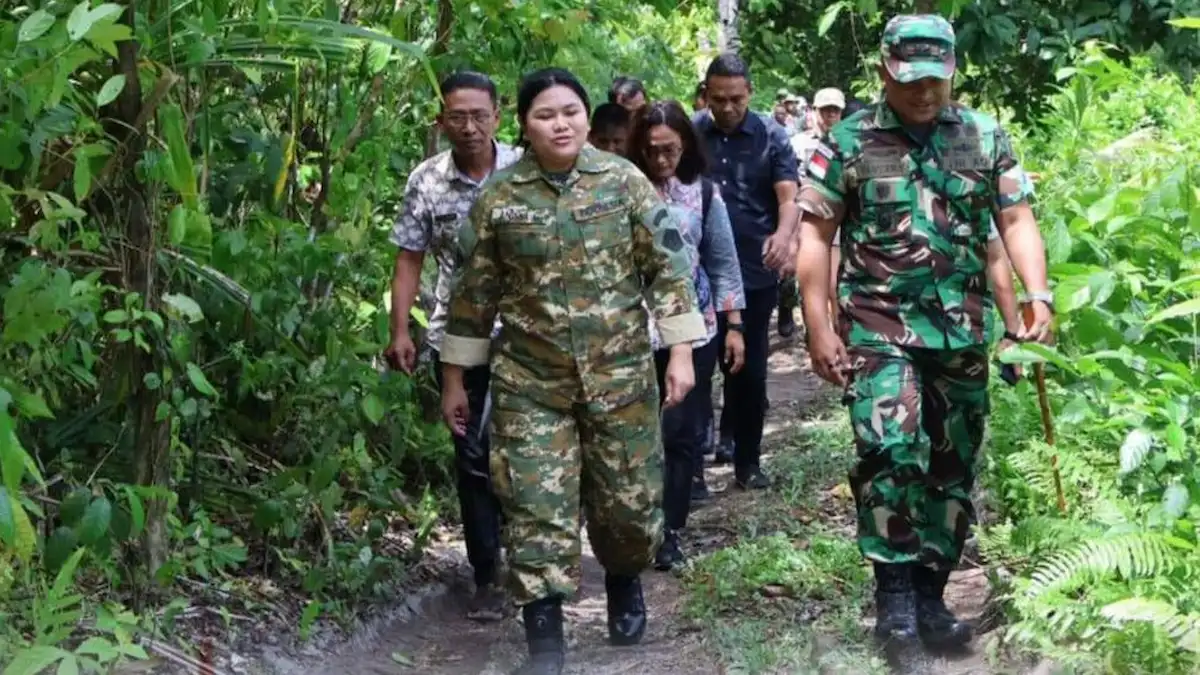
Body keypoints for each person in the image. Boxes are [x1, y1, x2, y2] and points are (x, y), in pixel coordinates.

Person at [793, 14, 1053, 658]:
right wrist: (818, 326)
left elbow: (1015, 218)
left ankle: (932, 595)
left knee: (951, 462)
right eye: (910, 80)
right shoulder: (849, 141)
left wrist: (1037, 295)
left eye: (935, 79)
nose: (924, 92)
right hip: (877, 325)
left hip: (960, 330)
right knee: (890, 448)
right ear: (885, 71)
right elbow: (816, 237)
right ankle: (895, 607)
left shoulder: (982, 136)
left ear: (953, 71)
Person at [440, 67, 706, 675]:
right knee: (534, 506)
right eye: (545, 115)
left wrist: (681, 352)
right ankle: (545, 636)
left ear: (587, 119)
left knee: (627, 508)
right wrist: (455, 379)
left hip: (620, 379)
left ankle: (623, 580)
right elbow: (472, 296)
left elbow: (667, 270)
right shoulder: (500, 199)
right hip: (531, 384)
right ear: (523, 126)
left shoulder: (624, 183)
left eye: (570, 112)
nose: (560, 125)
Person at [385, 70, 520, 623]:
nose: (469, 127)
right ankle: (487, 574)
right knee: (472, 455)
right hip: (458, 338)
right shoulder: (427, 180)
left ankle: (537, 560)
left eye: (478, 116)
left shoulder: (526, 168)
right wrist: (400, 331)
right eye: (457, 117)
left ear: (497, 117)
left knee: (530, 449)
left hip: (530, 335)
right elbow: (409, 258)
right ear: (441, 121)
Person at [628, 100, 746, 570]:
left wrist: (734, 325)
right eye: (652, 150)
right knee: (635, 434)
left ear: (686, 146)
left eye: (670, 150)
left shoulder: (704, 193)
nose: (661, 160)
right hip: (631, 334)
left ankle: (670, 532)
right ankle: (632, 526)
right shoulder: (621, 189)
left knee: (681, 432)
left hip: (695, 331)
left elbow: (723, 262)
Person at [695, 53, 800, 488]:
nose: (727, 108)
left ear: (749, 93)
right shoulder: (690, 133)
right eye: (718, 99)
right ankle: (691, 472)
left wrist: (784, 235)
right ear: (706, 94)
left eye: (736, 99)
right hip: (697, 275)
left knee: (750, 371)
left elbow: (788, 197)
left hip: (754, 271)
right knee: (696, 370)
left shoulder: (771, 135)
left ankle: (747, 461)